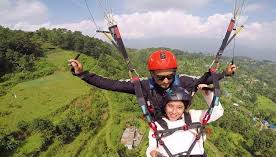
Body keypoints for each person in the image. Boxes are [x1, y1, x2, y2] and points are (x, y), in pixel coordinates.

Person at [68, 49, 234, 120]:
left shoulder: (184, 82)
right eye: (160, 78)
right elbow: (112, 84)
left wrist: (224, 73)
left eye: (170, 76)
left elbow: (204, 80)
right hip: (158, 123)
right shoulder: (144, 86)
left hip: (178, 119)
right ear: (152, 75)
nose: (166, 81)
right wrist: (83, 74)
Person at [146, 85, 224, 157]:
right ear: (165, 106)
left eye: (179, 107)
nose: (174, 111)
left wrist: (207, 92)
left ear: (184, 108)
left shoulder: (193, 116)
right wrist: (153, 153)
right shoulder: (157, 125)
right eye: (170, 106)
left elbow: (217, 112)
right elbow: (152, 147)